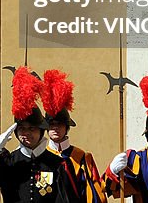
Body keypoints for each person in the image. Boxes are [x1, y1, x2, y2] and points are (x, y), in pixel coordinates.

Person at [0, 66, 78, 203]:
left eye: (32, 129)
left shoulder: (57, 163)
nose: (26, 133)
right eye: (22, 129)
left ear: (41, 130)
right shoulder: (8, 162)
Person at [42, 69, 106, 203]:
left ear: (66, 128)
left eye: (59, 124)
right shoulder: (40, 156)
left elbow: (92, 193)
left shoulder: (81, 157)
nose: (55, 128)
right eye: (51, 125)